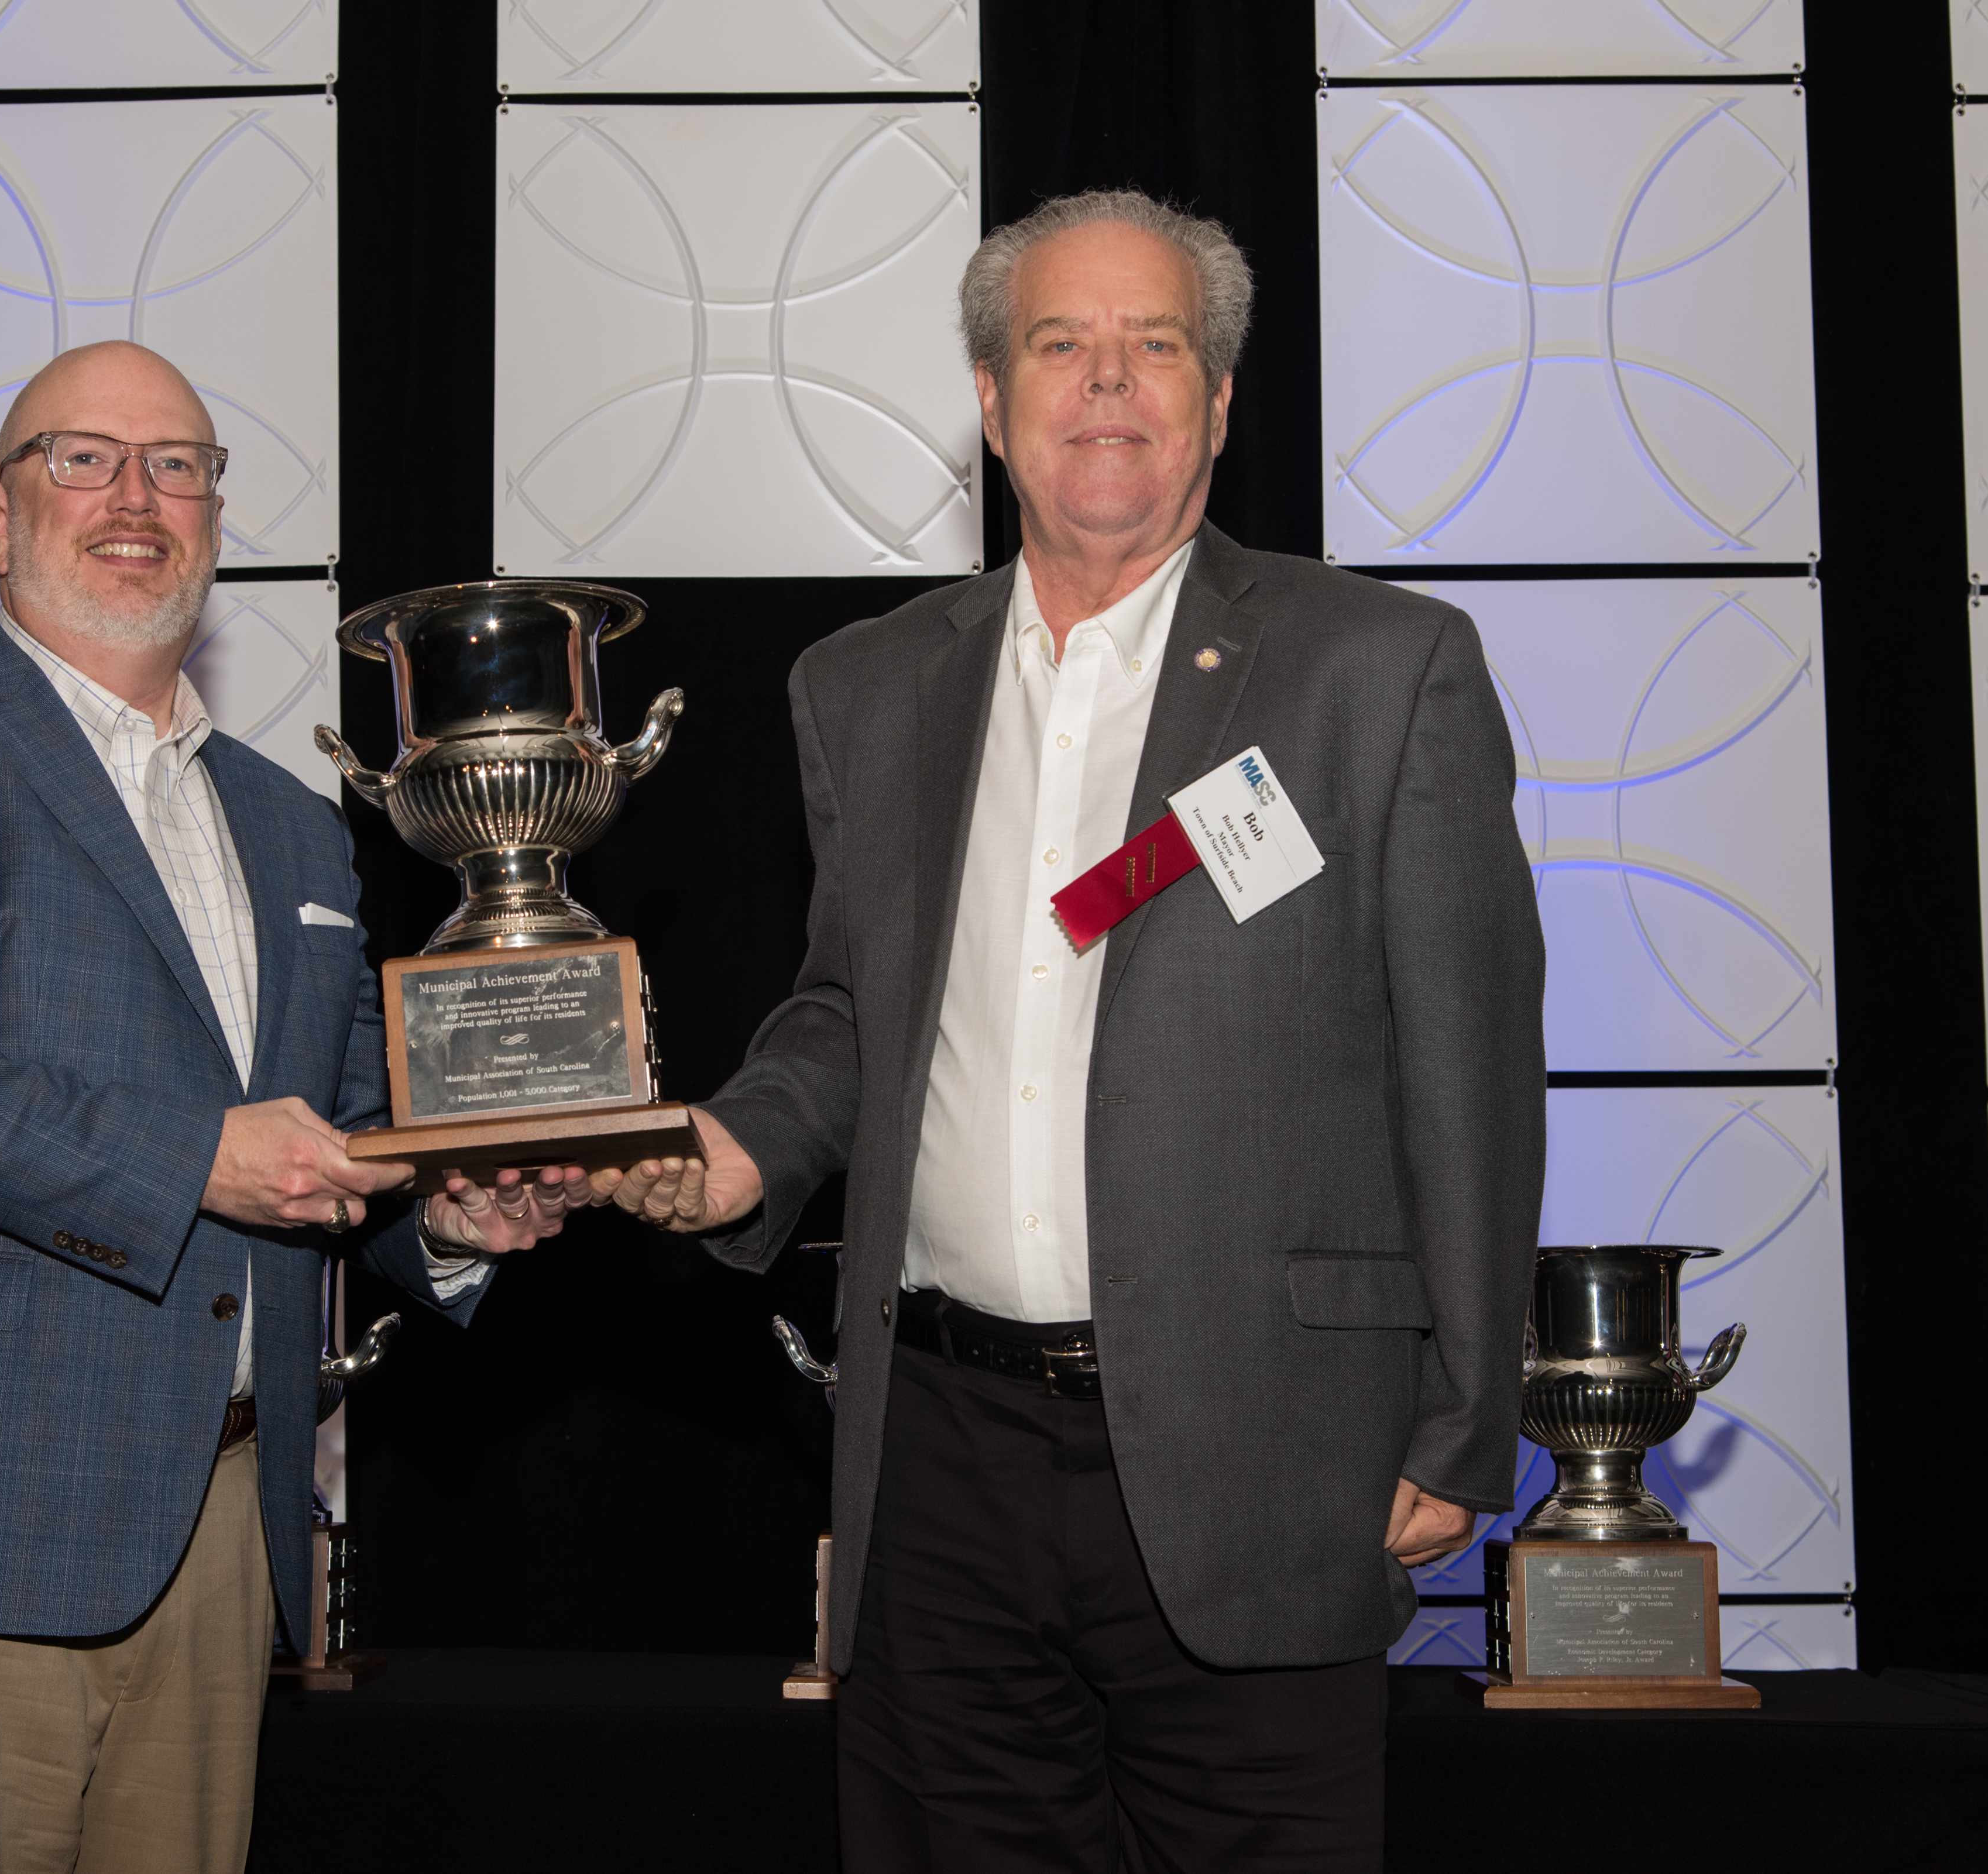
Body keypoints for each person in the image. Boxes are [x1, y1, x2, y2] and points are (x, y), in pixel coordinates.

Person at [598, 190, 1546, 1870]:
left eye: (1153, 346)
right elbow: (845, 1008)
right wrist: (739, 1145)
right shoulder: (866, 682)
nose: (1107, 382)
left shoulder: (1382, 669)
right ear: (990, 399)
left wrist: (1468, 1416)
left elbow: (1469, 1064)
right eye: (1061, 345)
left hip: (1270, 1446)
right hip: (942, 1459)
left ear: (1222, 402)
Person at [0, 340, 579, 1872]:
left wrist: (457, 1211)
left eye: (179, 466)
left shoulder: (295, 829)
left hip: (216, 1549)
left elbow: (344, 1130)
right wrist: (195, 1156)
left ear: (216, 520)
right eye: (82, 457)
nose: (135, 498)